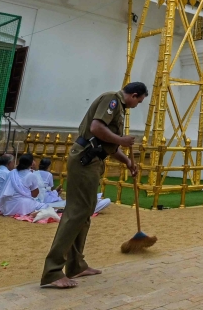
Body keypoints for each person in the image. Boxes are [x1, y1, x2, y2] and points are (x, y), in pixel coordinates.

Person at [40, 82, 147, 289]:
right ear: (134, 95)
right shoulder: (112, 100)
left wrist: (127, 162)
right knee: (76, 212)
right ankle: (52, 271)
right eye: (139, 101)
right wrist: (122, 139)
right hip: (84, 160)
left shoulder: (119, 109)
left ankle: (76, 264)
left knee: (85, 212)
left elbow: (109, 146)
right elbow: (96, 128)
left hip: (94, 160)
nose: (137, 105)